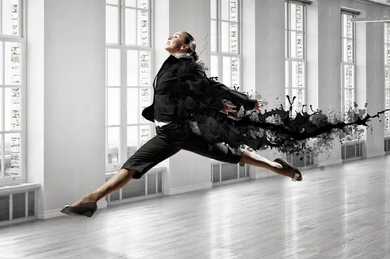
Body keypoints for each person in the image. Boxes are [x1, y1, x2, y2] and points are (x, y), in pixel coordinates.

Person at [61, 31, 302, 218]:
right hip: (166, 132)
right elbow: (189, 94)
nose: (170, 37)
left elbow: (212, 87)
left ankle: (280, 168)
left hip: (185, 131)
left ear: (184, 46)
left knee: (232, 156)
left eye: (175, 36)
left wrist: (246, 102)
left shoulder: (189, 66)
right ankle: (90, 201)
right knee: (133, 166)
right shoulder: (173, 63)